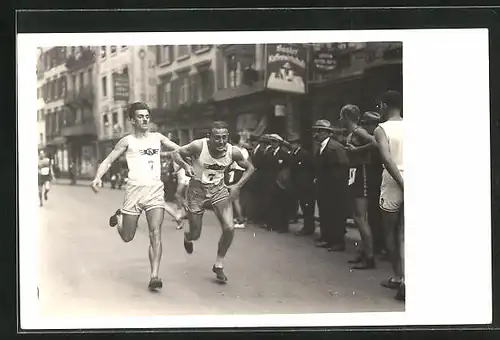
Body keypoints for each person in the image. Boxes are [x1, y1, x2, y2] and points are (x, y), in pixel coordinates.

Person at [90, 102, 181, 291]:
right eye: (140, 116)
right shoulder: (127, 141)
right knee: (127, 236)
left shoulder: (157, 137)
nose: (145, 119)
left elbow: (179, 148)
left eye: (147, 116)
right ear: (132, 120)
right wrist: (98, 177)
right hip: (134, 192)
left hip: (155, 190)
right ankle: (120, 217)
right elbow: (107, 161)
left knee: (155, 233)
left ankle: (154, 275)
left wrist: (195, 154)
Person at [172, 121, 255, 283]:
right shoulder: (198, 146)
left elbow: (250, 168)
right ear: (209, 137)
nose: (221, 141)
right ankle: (188, 237)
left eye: (224, 137)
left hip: (219, 191)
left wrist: (237, 185)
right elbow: (175, 153)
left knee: (229, 228)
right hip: (197, 193)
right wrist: (185, 165)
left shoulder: (233, 151)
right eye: (217, 138)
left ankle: (218, 264)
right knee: (196, 234)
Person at [373, 91, 404, 301]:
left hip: (394, 183)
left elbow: (386, 158)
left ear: (384, 105)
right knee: (406, 232)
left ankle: (399, 277)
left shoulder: (381, 129)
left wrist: (402, 182)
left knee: (391, 233)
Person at [341, 104, 378, 270]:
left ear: (347, 117)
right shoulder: (351, 132)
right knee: (357, 216)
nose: (340, 120)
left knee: (361, 217)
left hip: (361, 172)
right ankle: (364, 252)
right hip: (353, 172)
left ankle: (370, 257)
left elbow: (376, 143)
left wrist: (356, 150)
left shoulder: (358, 131)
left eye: (341, 117)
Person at [312, 120, 350, 252]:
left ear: (326, 133)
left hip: (334, 189)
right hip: (324, 187)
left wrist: (335, 185)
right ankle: (328, 238)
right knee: (326, 213)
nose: (316, 134)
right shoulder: (323, 147)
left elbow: (342, 167)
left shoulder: (335, 147)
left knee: (335, 214)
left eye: (319, 131)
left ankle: (338, 241)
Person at [288, 135, 316, 236]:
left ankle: (309, 228)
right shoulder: (293, 154)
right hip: (298, 185)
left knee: (308, 207)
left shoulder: (304, 154)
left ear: (298, 144)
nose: (292, 145)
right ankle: (307, 227)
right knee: (304, 207)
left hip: (306, 185)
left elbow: (312, 168)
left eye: (294, 143)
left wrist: (309, 181)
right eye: (291, 143)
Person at [226, 134, 250, 229]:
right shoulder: (244, 150)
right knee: (238, 197)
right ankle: (237, 217)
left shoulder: (231, 150)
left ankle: (240, 220)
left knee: (234, 198)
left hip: (234, 173)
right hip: (243, 172)